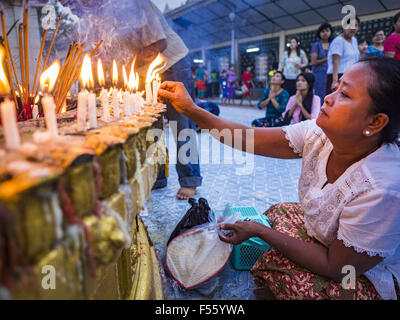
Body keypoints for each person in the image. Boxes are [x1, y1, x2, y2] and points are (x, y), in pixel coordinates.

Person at [158, 56, 400, 300]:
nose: (328, 97)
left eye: (344, 95)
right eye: (336, 88)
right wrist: (190, 109)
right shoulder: (318, 134)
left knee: (293, 280)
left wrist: (259, 231)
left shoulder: (382, 187)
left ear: (375, 121)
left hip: (361, 274)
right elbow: (248, 137)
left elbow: (337, 268)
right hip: (328, 244)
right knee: (278, 213)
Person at [61, 0, 202, 200]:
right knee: (150, 123)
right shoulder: (102, 14)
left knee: (181, 124)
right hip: (141, 73)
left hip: (172, 65)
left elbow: (159, 44)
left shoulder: (134, 4)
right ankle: (157, 175)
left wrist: (128, 68)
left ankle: (189, 180)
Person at [326, 16, 360, 94]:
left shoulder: (354, 40)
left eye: (356, 25)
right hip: (338, 76)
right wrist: (335, 81)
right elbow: (335, 62)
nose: (353, 28)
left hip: (350, 76)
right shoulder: (338, 41)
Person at [311, 22, 333, 104]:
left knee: (331, 95)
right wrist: (327, 59)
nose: (325, 33)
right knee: (319, 96)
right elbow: (313, 62)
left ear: (330, 32)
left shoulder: (333, 44)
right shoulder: (316, 45)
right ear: (319, 33)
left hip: (331, 74)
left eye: (327, 31)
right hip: (319, 75)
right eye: (322, 31)